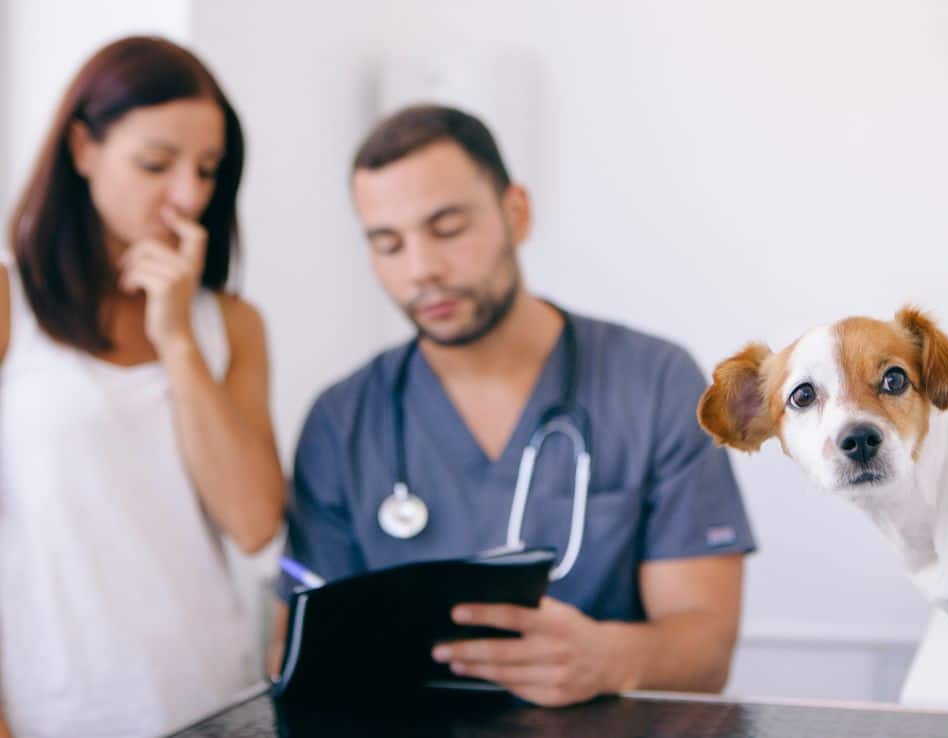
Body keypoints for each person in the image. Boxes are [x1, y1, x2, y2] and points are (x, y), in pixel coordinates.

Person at [274, 104, 756, 707]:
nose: (422, 270)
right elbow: (305, 651)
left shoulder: (655, 383)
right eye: (389, 244)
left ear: (515, 213)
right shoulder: (342, 421)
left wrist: (605, 659)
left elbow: (706, 648)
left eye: (447, 229)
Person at [0, 37, 285, 737]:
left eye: (208, 171)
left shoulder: (231, 324)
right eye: (156, 164)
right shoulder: (11, 306)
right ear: (83, 148)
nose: (187, 196)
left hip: (216, 703)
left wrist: (178, 338)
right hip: (59, 709)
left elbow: (253, 523)